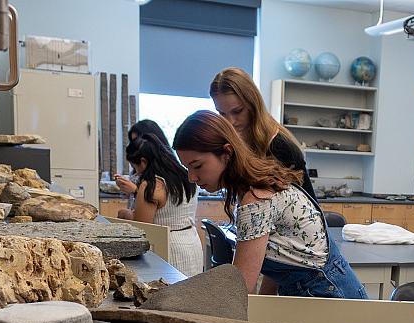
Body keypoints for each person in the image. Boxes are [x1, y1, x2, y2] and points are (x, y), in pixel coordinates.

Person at [173, 110, 367, 299]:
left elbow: (239, 290)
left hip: (331, 297)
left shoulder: (256, 199)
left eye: (197, 165)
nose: (192, 177)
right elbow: (277, 253)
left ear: (227, 153)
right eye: (187, 168)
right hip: (318, 293)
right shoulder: (254, 186)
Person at [209, 67, 316, 199]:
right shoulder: (236, 143)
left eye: (237, 111)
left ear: (253, 104)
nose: (231, 122)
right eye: (222, 113)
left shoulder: (279, 146)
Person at [120, 133, 204, 276]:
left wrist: (125, 214)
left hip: (168, 248)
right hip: (192, 243)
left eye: (135, 166)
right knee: (192, 293)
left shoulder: (151, 186)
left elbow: (142, 229)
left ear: (144, 161)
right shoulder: (187, 176)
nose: (136, 171)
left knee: (168, 294)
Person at [114, 119, 171, 199]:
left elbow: (157, 203)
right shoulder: (140, 170)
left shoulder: (165, 176)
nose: (134, 147)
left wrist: (136, 191)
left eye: (136, 141)